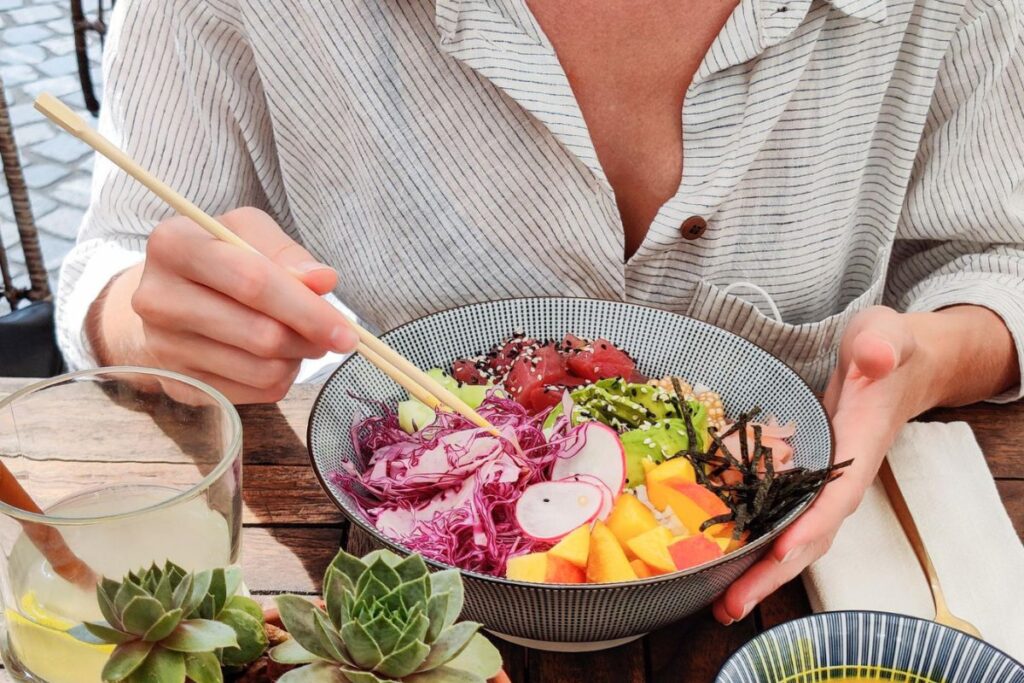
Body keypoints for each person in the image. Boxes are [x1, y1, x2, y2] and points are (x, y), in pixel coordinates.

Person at [58, 0, 1022, 626]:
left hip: (801, 609)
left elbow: (998, 259)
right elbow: (112, 261)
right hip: (394, 615)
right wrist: (160, 326)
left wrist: (927, 359)